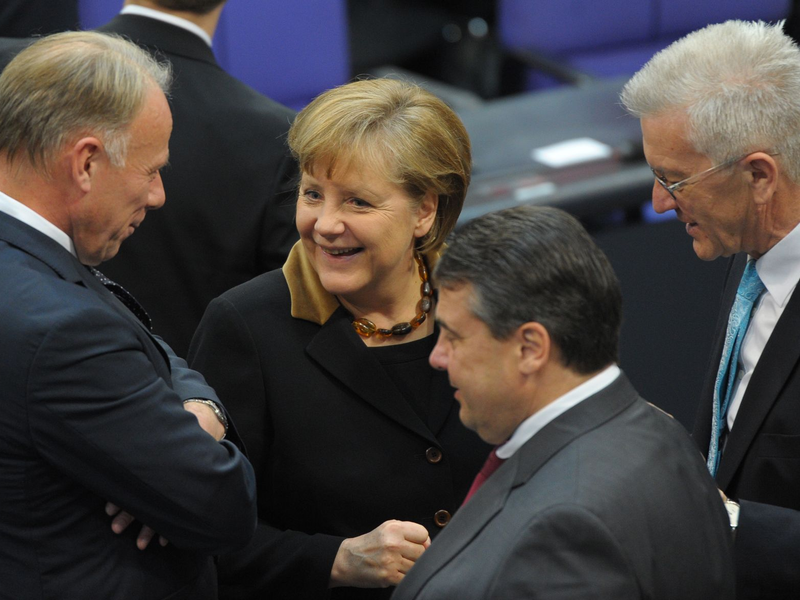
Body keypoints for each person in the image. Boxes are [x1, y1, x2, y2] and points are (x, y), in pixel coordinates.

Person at [188, 78, 490, 599]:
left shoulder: (489, 304)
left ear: (425, 211)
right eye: (312, 195)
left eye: (357, 202)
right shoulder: (245, 327)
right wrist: (336, 560)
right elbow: (198, 530)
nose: (325, 224)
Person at [0, 31, 256, 600]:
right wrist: (193, 442)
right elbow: (223, 506)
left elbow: (131, 330)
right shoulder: (63, 332)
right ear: (86, 162)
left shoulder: (40, 272)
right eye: (151, 170)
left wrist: (195, 411)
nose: (159, 194)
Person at [392, 205, 735, 599]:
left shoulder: (567, 528)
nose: (438, 356)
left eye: (453, 336)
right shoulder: (663, 434)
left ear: (530, 348)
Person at [621, 19, 800, 599]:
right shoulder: (747, 245)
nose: (658, 202)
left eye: (674, 180)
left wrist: (725, 522)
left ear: (758, 176)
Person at [85, 0, 298, 357]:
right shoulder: (276, 137)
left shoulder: (13, 71)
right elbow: (285, 315)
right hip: (188, 397)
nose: (156, 195)